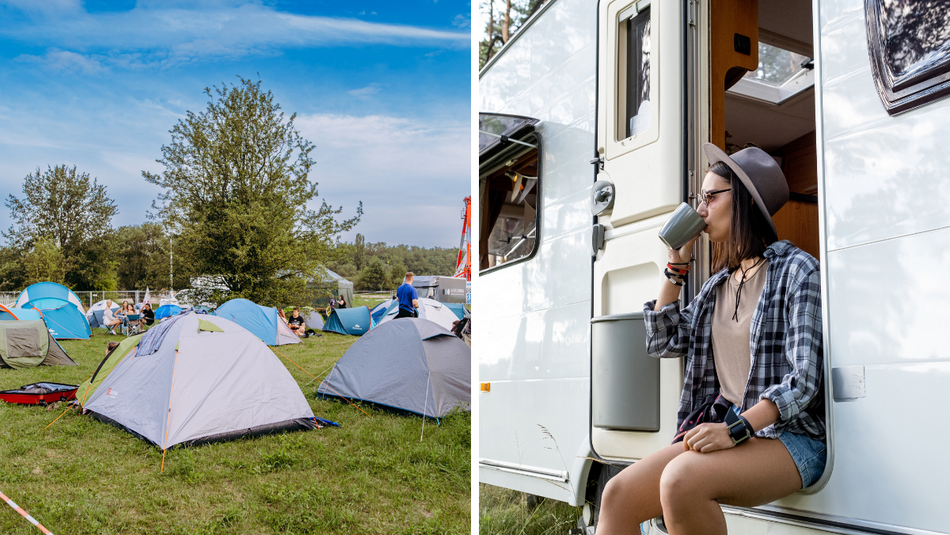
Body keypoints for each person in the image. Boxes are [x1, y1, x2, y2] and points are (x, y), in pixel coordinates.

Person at [597, 144, 825, 535]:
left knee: (680, 480)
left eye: (709, 197)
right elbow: (663, 341)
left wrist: (735, 430)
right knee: (617, 494)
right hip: (734, 432)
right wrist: (675, 266)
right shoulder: (719, 284)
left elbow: (803, 381)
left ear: (745, 203)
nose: (699, 209)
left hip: (790, 438)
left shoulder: (799, 271)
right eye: (698, 199)